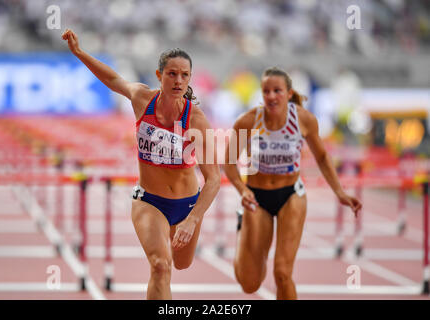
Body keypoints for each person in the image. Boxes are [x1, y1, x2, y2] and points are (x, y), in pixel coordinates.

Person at [62, 29, 220, 299]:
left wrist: (193, 220)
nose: (178, 80)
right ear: (159, 76)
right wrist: (79, 53)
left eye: (184, 75)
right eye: (172, 73)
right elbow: (112, 79)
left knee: (182, 263)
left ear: (190, 79)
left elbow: (214, 179)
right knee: (161, 266)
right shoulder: (142, 99)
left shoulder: (196, 120)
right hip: (149, 201)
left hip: (187, 205)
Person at [223, 67, 361, 300]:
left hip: (291, 195)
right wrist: (242, 189)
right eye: (266, 91)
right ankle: (242, 232)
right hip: (257, 198)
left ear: (289, 93)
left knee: (282, 273)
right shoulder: (247, 121)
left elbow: (323, 157)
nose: (271, 96)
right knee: (249, 283)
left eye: (277, 90)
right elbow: (228, 163)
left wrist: (340, 192)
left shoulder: (304, 120)